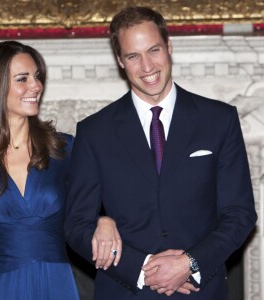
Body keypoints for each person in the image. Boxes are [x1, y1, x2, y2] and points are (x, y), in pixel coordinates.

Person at [64, 6, 257, 300]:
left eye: (153, 50)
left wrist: (188, 263)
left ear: (169, 47)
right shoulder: (94, 132)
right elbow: (76, 225)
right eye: (133, 56)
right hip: (124, 291)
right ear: (120, 61)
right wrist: (143, 269)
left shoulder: (219, 120)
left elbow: (240, 214)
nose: (147, 66)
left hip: (201, 291)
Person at [0, 41, 121, 300]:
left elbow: (104, 200)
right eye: (22, 79)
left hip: (58, 285)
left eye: (37, 77)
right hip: (1, 290)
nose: (36, 86)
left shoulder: (63, 149)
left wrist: (105, 219)